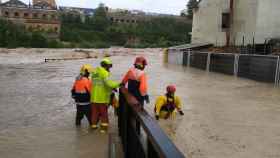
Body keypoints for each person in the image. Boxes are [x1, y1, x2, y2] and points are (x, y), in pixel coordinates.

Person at [90, 58, 120, 133]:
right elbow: (108, 83)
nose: (109, 68)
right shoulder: (104, 73)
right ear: (106, 66)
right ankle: (103, 129)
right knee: (104, 113)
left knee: (95, 113)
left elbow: (97, 84)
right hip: (102, 97)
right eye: (109, 66)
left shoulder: (94, 72)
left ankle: (93, 127)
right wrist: (119, 84)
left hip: (93, 97)